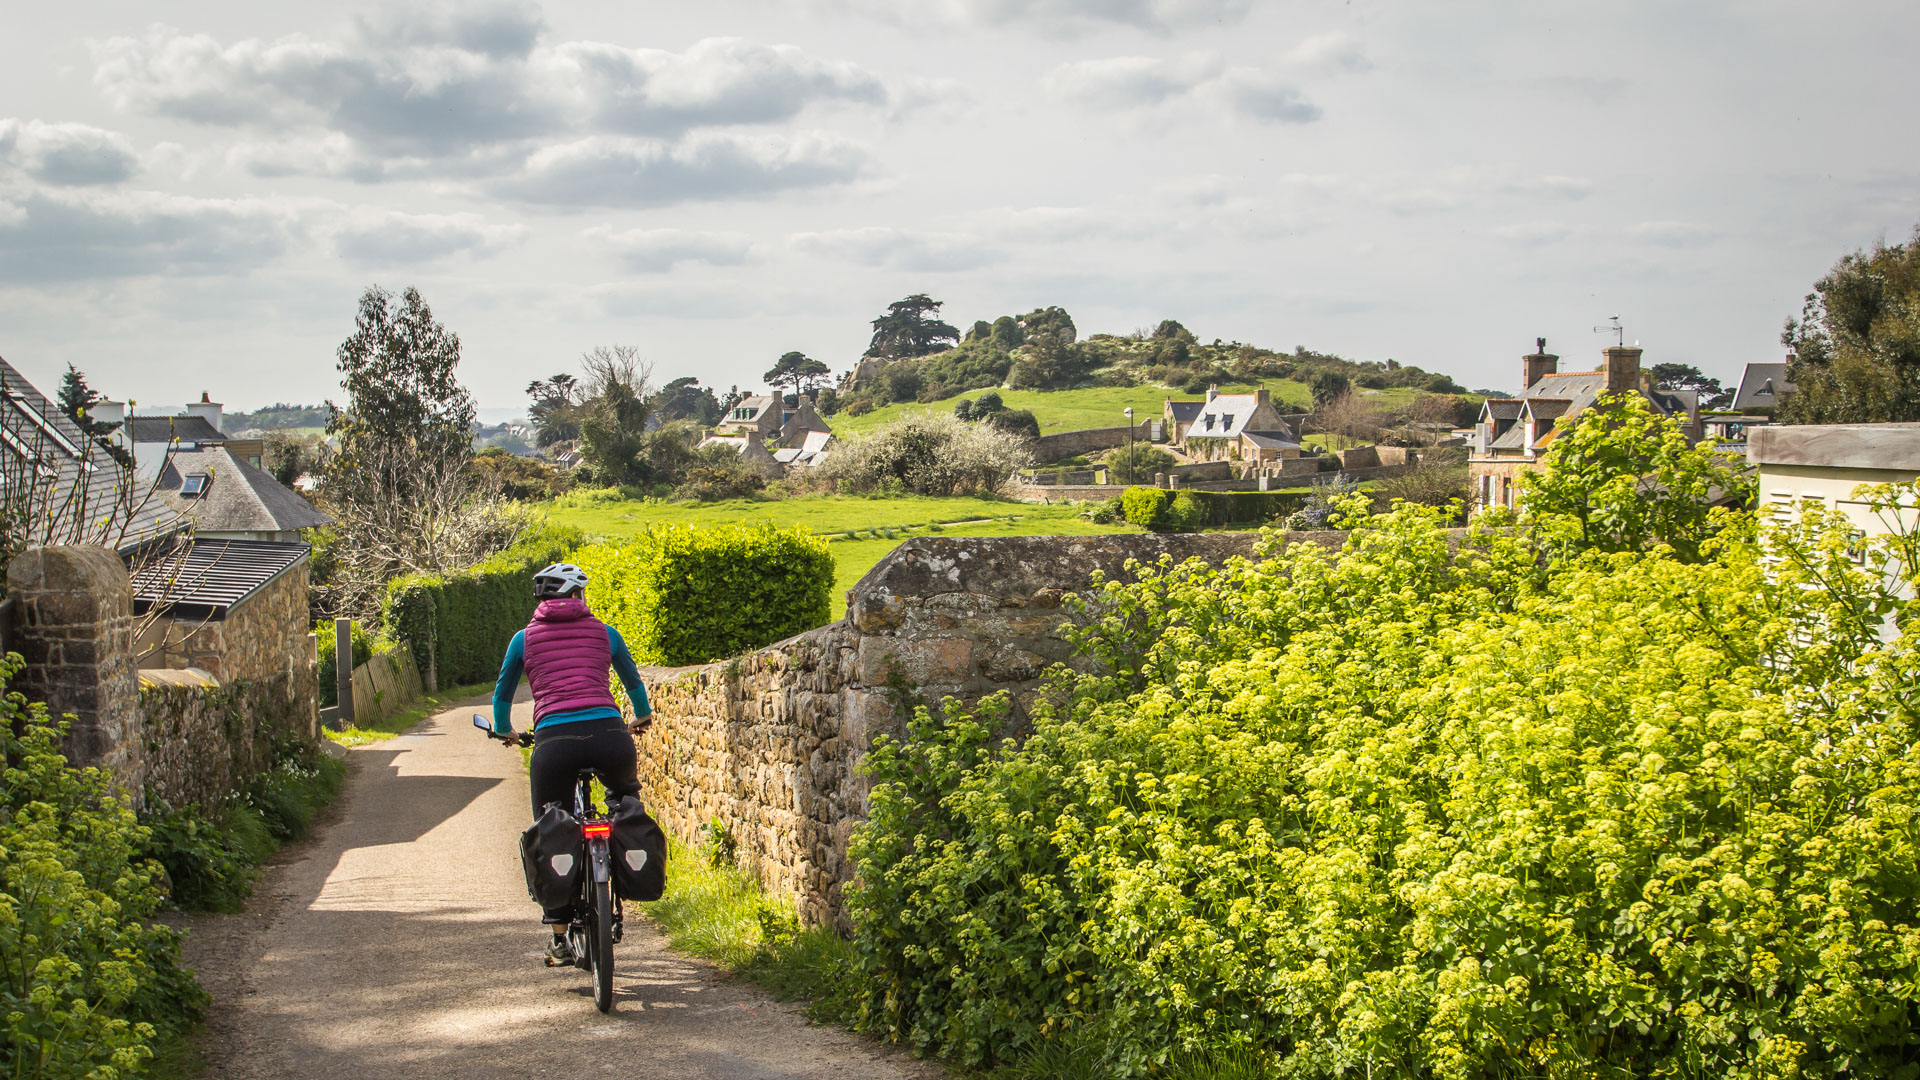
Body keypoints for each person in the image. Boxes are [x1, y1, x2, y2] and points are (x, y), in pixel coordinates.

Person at [493, 562, 652, 966]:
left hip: (554, 744)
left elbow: (502, 696)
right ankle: (625, 870)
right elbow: (633, 683)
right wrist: (641, 716)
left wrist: (505, 730)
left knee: (551, 827)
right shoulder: (606, 632)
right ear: (578, 595)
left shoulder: (523, 639)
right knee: (624, 802)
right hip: (610, 737)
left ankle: (559, 935)